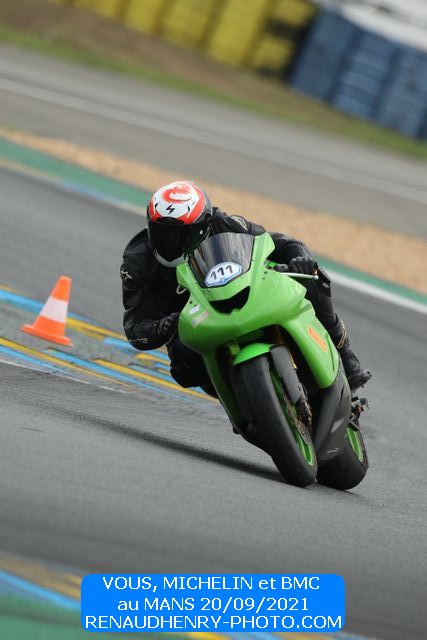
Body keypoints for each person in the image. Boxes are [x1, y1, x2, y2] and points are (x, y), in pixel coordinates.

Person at [121, 181, 371, 393]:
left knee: (312, 278)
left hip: (243, 296)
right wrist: (161, 328)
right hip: (196, 325)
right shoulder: (137, 261)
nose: (170, 243)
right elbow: (134, 329)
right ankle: (243, 405)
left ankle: (345, 354)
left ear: (203, 227)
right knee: (183, 370)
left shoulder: (222, 223)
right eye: (162, 233)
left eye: (180, 234)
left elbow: (278, 243)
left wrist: (299, 258)